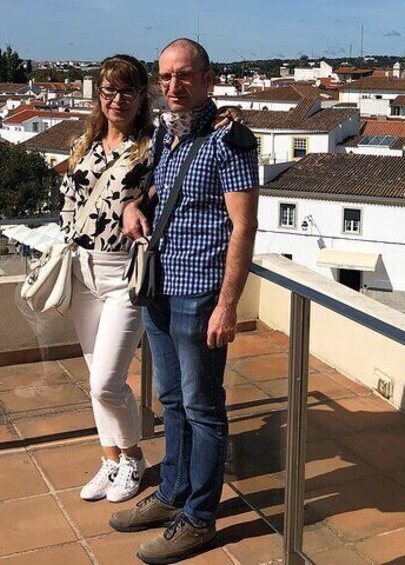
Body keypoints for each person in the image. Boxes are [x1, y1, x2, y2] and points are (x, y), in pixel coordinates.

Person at [110, 38, 259, 564]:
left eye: (185, 76)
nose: (174, 86)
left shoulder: (231, 141)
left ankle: (199, 518)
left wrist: (227, 304)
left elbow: (244, 226)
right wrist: (132, 207)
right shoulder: (163, 134)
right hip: (160, 288)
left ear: (207, 79)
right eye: (166, 77)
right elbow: (152, 191)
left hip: (200, 294)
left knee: (203, 408)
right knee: (171, 401)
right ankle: (171, 493)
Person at [59, 54, 155, 504]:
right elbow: (69, 201)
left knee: (106, 382)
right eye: (109, 90)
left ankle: (134, 457)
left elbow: (172, 186)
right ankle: (110, 460)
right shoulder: (86, 141)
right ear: (99, 94)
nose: (117, 99)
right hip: (81, 271)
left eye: (128, 91)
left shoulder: (154, 146)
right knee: (94, 376)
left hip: (123, 273)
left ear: (141, 98)